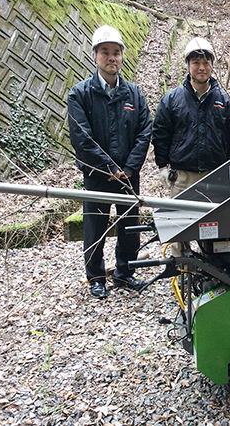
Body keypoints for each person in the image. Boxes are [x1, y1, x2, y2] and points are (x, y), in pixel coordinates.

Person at [68, 25, 152, 299]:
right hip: (96, 175)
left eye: (116, 52)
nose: (111, 58)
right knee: (95, 227)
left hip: (128, 175)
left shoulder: (135, 94)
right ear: (95, 56)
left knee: (130, 227)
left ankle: (125, 273)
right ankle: (95, 277)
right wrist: (108, 168)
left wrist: (128, 168)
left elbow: (144, 131)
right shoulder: (80, 94)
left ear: (122, 57)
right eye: (105, 52)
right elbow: (82, 138)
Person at [152, 37, 230, 265]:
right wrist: (162, 166)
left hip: (215, 175)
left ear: (212, 65)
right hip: (183, 175)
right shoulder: (172, 99)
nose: (201, 67)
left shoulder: (224, 101)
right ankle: (181, 267)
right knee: (179, 225)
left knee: (214, 223)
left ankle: (214, 265)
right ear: (188, 65)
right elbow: (161, 134)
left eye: (206, 62)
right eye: (196, 62)